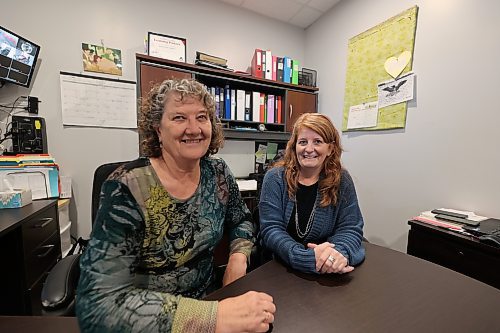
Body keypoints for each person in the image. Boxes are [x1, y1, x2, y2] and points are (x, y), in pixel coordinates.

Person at [76, 78, 276, 333]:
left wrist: (238, 257)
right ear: (158, 129)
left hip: (212, 300)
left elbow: (241, 220)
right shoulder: (126, 187)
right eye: (179, 118)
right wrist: (213, 317)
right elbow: (98, 304)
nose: (194, 129)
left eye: (201, 117)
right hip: (152, 320)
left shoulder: (218, 173)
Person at [259, 113, 365, 275]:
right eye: (303, 142)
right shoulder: (275, 178)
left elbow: (350, 227)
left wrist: (337, 255)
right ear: (294, 147)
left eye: (317, 142)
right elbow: (271, 229)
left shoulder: (342, 179)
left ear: (330, 149)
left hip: (328, 269)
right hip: (281, 267)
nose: (309, 149)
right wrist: (304, 257)